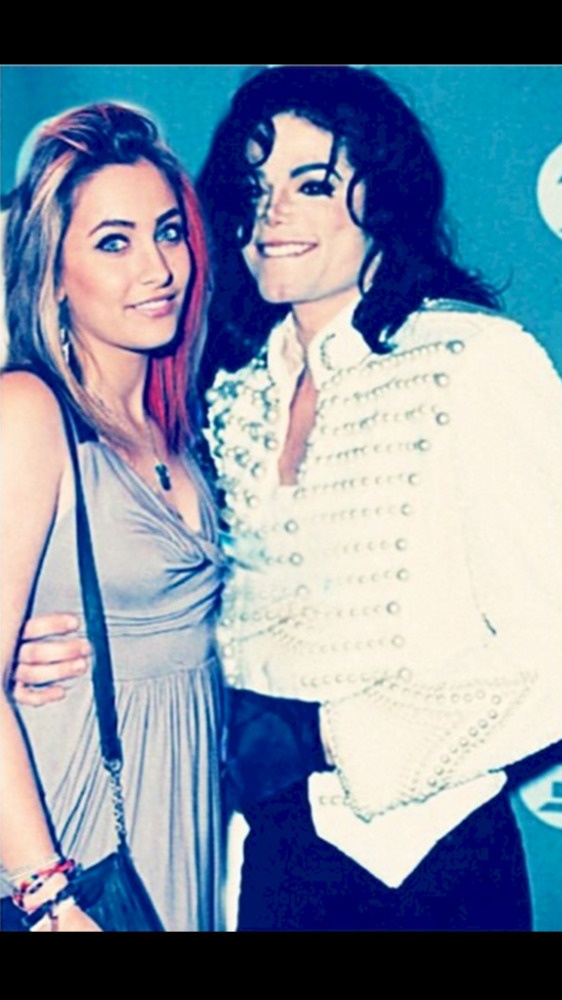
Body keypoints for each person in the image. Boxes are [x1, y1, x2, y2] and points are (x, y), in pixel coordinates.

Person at [11, 66, 562, 931]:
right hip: (264, 861)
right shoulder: (231, 395)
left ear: (382, 196)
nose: (273, 213)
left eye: (312, 184)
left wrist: (329, 738)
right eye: (256, 186)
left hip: (429, 861)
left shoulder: (470, 363)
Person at [1, 103, 226, 931]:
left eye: (167, 233)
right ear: (54, 272)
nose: (157, 268)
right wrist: (51, 899)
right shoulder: (29, 412)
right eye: (112, 242)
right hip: (77, 858)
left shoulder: (181, 428)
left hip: (182, 829)